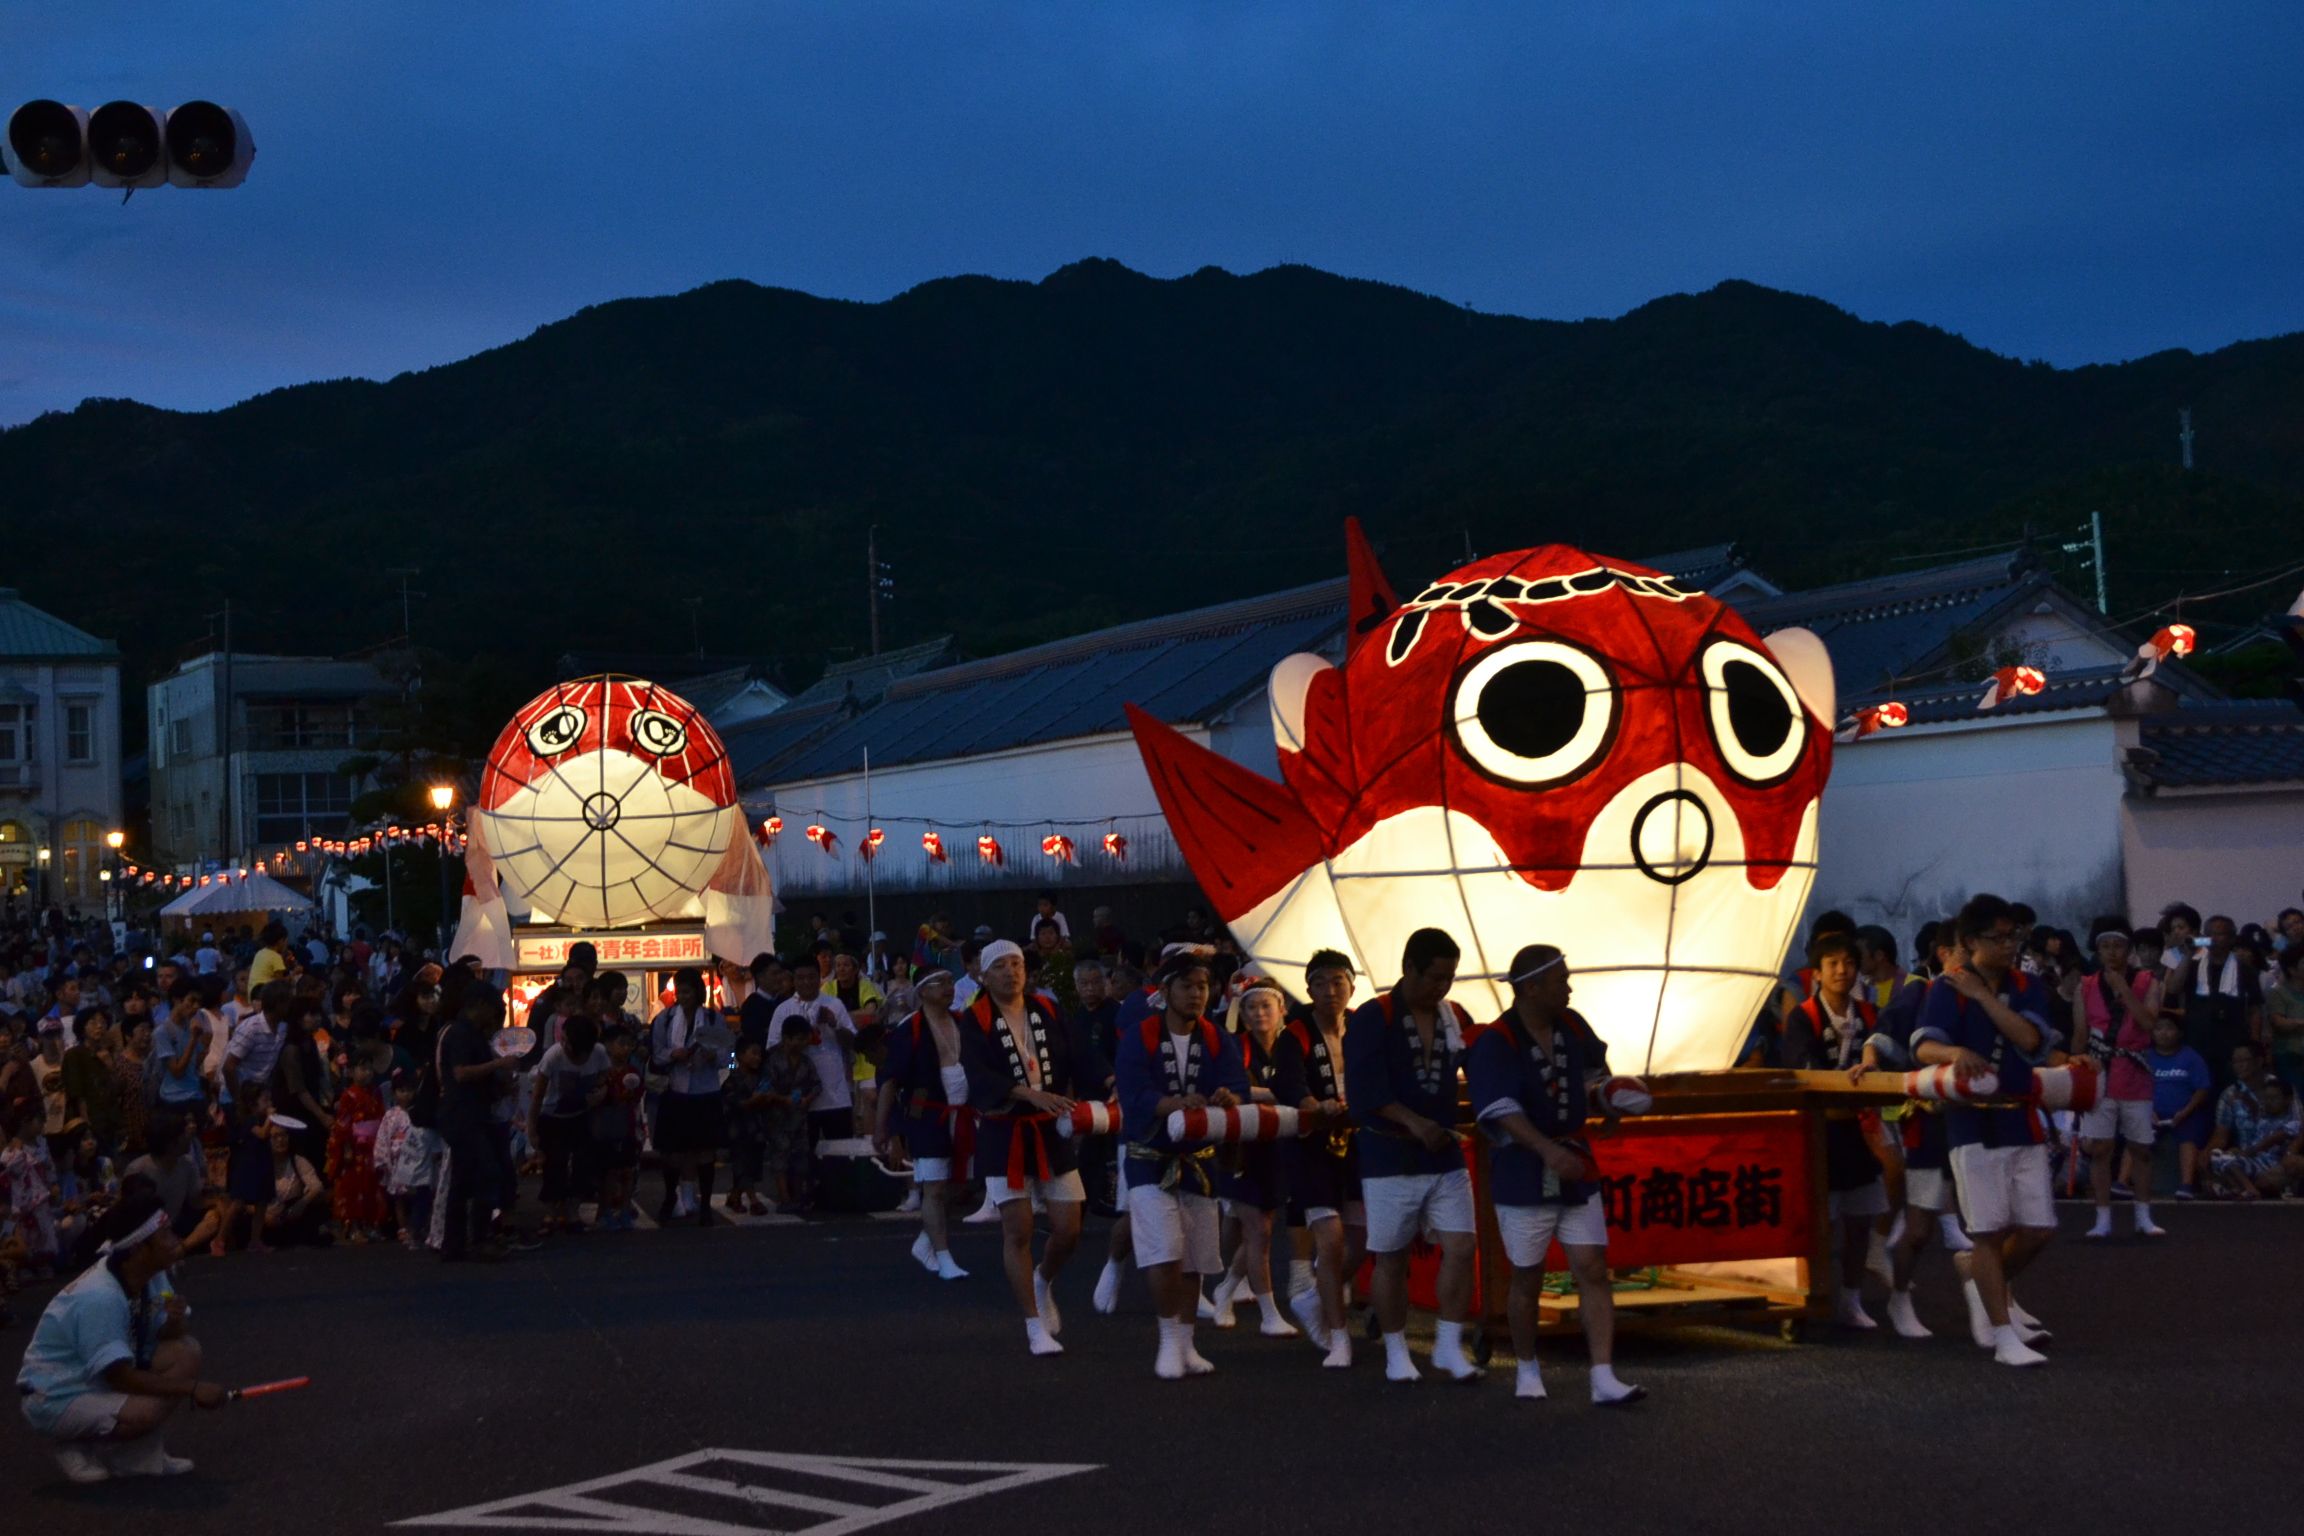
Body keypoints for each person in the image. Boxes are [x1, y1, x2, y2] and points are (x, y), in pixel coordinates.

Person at [1466, 945, 1644, 1404]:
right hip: (1524, 1171)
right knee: (1527, 1277)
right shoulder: (1496, 1040)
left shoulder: (1573, 1025)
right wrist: (1546, 1150)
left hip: (1575, 1162)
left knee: (1593, 1268)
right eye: (1561, 980)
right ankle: (1527, 1367)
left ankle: (1603, 1375)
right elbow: (1499, 1109)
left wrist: (1610, 1101)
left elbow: (1594, 1074)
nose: (1569, 987)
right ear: (1530, 988)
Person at [1911, 894, 2058, 1367]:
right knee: (1988, 1232)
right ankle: (2002, 1335)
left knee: (2039, 1229)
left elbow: (2030, 1039)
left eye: (2014, 935)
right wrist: (1953, 1054)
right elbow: (1924, 1047)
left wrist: (1982, 997)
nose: (2010, 944)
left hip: (2021, 1115)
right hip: (1971, 1121)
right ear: (1971, 941)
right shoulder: (1944, 988)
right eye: (1999, 937)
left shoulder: (2026, 985)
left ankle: (1981, 1282)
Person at [15, 1190, 228, 1484]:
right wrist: (192, 1388)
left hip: (92, 1373)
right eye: (165, 1235)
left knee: (186, 1350)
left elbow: (160, 1336)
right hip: (55, 1392)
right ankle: (73, 1441)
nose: (175, 1240)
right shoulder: (101, 1296)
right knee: (147, 1410)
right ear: (140, 1248)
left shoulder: (150, 1273)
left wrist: (175, 1322)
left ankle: (134, 1456)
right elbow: (118, 1376)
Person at [1346, 927, 1481, 1382]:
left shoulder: (1454, 1015)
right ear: (1408, 970)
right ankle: (1397, 1350)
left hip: (1443, 1153)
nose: (1442, 987)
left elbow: (1478, 1066)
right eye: (1435, 977)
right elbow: (1364, 1090)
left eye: (1450, 977)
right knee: (1392, 1257)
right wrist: (1413, 1122)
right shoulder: (1374, 1015)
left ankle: (1447, 1344)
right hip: (1389, 1153)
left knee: (1462, 1248)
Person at [1114, 949, 1249, 1377]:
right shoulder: (1141, 1035)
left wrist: (1230, 1097)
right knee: (1165, 1253)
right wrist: (1174, 1103)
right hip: (1149, 1159)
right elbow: (1133, 1094)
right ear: (1166, 989)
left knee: (1196, 1258)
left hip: (1199, 1160)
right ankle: (1168, 1339)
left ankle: (1188, 1344)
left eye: (1203, 987)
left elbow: (1237, 1084)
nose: (1196, 994)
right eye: (1187, 986)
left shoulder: (1215, 1036)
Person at [963, 940, 1087, 1356]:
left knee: (1069, 1229)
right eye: (1000, 966)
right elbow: (977, 1075)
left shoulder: (1047, 1009)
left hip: (1051, 1129)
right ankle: (1034, 1324)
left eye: (1016, 964)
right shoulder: (974, 1019)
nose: (1011, 972)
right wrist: (1026, 1094)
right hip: (1005, 1131)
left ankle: (1043, 1278)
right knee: (1018, 1230)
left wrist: (1106, 1082)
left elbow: (1078, 1055)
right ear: (983, 975)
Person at [1206, 977, 1299, 1337]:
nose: (1259, 1013)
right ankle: (1269, 1313)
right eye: (1251, 1006)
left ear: (1281, 1010)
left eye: (1266, 1005)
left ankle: (1226, 1289)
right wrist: (1282, 1094)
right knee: (1258, 1229)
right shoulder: (1236, 1047)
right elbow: (1232, 1091)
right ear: (1241, 1013)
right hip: (1242, 1148)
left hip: (1280, 1145)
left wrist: (1274, 1094)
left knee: (1260, 1228)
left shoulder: (1289, 1046)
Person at [876, 969, 971, 1278]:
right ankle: (944, 1258)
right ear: (923, 991)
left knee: (960, 1186)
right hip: (926, 1115)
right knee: (933, 1188)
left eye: (949, 982)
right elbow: (890, 1081)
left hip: (963, 1114)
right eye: (939, 983)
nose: (947, 988)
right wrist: (885, 1130)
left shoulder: (961, 1022)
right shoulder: (910, 1028)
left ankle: (926, 1239)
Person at [2074, 918, 2166, 1239]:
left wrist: (2124, 990)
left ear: (2129, 950)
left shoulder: (2147, 982)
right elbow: (2080, 1036)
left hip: (2134, 1073)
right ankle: (2102, 1218)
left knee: (2141, 1148)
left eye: (2118, 945)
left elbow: (2149, 1023)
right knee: (2100, 1149)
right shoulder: (2084, 986)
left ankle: (2144, 1215)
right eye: (2105, 946)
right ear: (2097, 950)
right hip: (2099, 1072)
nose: (2112, 952)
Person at [436, 986, 520, 1263]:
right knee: (487, 1171)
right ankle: (479, 1238)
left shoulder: (467, 1033)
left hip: (466, 1112)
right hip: (463, 1114)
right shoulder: (462, 1033)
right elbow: (460, 1073)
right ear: (481, 1005)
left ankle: (454, 1243)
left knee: (462, 1179)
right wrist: (498, 1066)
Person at [649, 967, 728, 1226]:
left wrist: (712, 1056)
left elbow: (727, 1057)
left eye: (687, 991)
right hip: (676, 1089)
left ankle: (704, 1203)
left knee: (705, 1150)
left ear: (698, 992)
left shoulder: (714, 1019)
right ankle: (671, 1196)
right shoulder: (665, 1019)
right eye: (679, 991)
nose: (683, 997)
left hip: (705, 1089)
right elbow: (657, 1053)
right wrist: (673, 1055)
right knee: (672, 1151)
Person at [770, 958, 857, 1153]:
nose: (806, 982)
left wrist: (835, 1024)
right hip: (799, 1099)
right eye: (801, 978)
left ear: (820, 978)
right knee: (802, 1159)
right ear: (793, 980)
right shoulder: (783, 1010)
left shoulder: (834, 1005)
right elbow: (772, 1050)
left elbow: (854, 1043)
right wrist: (798, 1042)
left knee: (840, 1156)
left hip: (836, 1096)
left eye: (811, 977)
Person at [532, 1012, 607, 1232]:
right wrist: (532, 1130)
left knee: (582, 1163)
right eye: (562, 1040)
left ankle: (573, 1210)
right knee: (554, 1164)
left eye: (567, 1042)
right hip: (552, 1117)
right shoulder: (554, 1057)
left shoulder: (598, 1053)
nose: (563, 1045)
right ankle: (552, 1211)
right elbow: (537, 1096)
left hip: (581, 1115)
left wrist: (600, 1091)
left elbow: (605, 1075)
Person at [2148, 1016, 2214, 1197]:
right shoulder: (2146, 1057)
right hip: (2152, 1113)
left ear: (2179, 1033)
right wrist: (2148, 1111)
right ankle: (2124, 1182)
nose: (2163, 1033)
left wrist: (2185, 1112)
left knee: (2188, 1136)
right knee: (2136, 1132)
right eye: (2158, 1028)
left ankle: (2186, 1185)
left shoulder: (2191, 1057)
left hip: (2185, 1113)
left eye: (2169, 1028)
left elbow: (2202, 1089)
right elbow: (2137, 1088)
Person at [326, 1056, 389, 1242]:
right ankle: (354, 1227)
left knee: (372, 1186)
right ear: (352, 1072)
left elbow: (381, 1118)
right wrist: (345, 1147)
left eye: (370, 1069)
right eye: (362, 1069)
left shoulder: (375, 1093)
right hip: (355, 1148)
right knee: (354, 1187)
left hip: (373, 1146)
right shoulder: (348, 1095)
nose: (367, 1073)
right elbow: (343, 1124)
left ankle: (371, 1225)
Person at [762, 1018, 822, 1213]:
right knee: (780, 1158)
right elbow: (765, 1087)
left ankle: (798, 1197)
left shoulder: (806, 1061)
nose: (800, 1044)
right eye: (796, 1039)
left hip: (799, 1116)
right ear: (785, 1038)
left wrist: (808, 1099)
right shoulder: (772, 1058)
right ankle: (785, 1198)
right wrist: (781, 1099)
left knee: (800, 1158)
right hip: (777, 1116)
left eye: (804, 1039)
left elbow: (816, 1084)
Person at [591, 1027, 644, 1230]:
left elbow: (637, 1094)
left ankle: (624, 1209)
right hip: (607, 1127)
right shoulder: (603, 1072)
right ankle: (605, 1210)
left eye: (628, 1044)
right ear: (607, 1046)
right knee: (609, 1172)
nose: (625, 1048)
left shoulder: (632, 1071)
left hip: (627, 1125)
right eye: (620, 1043)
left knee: (627, 1170)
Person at [721, 1038, 775, 1217]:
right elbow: (737, 1104)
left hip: (756, 1128)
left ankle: (735, 1196)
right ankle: (753, 1200)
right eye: (753, 1053)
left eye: (759, 1054)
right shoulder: (732, 1079)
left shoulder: (760, 1077)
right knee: (742, 1163)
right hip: (738, 1128)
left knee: (751, 1163)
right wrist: (756, 1100)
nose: (757, 1058)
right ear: (741, 1055)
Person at [258, 1116, 327, 1247]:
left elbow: (317, 1186)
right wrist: (264, 1215)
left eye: (283, 1135)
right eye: (275, 1136)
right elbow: (244, 1200)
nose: (280, 1140)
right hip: (266, 1219)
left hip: (290, 1216)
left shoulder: (297, 1160)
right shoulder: (260, 1165)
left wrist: (302, 1203)